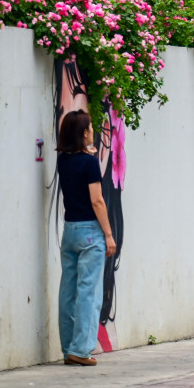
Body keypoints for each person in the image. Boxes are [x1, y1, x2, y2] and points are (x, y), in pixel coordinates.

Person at [56, 109, 117, 367]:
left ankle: (69, 348)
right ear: (84, 133)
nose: (93, 131)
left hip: (70, 231)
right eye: (91, 128)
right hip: (90, 233)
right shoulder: (90, 163)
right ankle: (81, 350)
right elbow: (97, 201)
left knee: (68, 292)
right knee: (89, 293)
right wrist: (109, 235)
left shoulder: (63, 160)